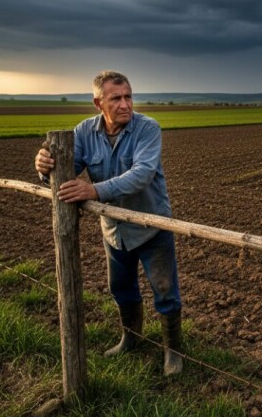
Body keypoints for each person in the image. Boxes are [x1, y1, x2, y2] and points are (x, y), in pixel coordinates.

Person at [35, 70, 183, 376]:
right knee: (120, 288)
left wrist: (95, 190)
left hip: (151, 225)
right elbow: (65, 170)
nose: (125, 104)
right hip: (114, 231)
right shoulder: (84, 133)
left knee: (165, 290)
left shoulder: (148, 129)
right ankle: (132, 338)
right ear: (98, 103)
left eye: (128, 96)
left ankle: (173, 351)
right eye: (116, 98)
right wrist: (44, 168)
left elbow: (142, 174)